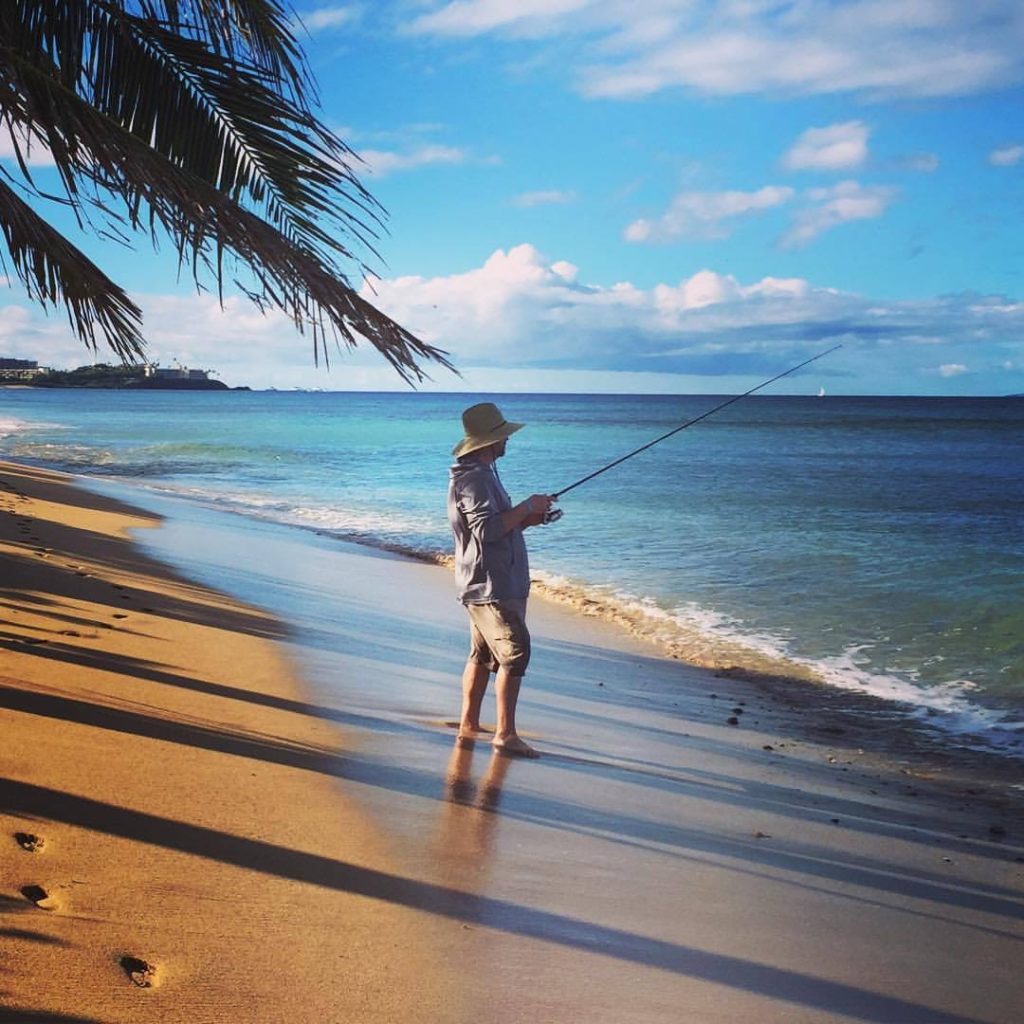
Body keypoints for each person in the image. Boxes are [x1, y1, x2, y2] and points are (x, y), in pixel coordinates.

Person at [447, 402, 555, 758]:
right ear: (490, 441)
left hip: (488, 580)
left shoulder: (480, 473)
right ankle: (505, 734)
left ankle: (470, 723)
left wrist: (530, 519)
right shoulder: (474, 478)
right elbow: (488, 530)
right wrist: (526, 506)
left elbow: (496, 526)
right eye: (504, 435)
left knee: (481, 655)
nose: (508, 440)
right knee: (515, 653)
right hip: (491, 584)